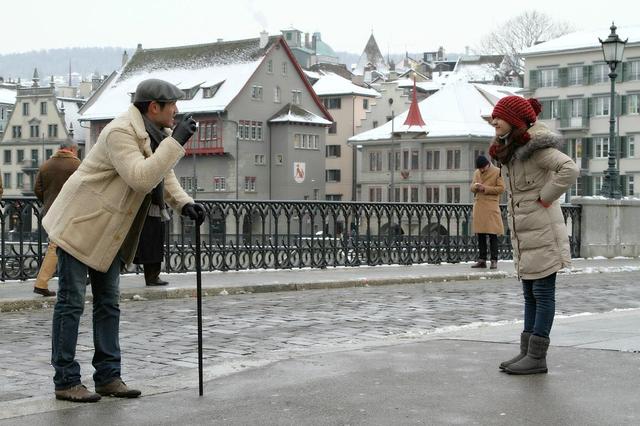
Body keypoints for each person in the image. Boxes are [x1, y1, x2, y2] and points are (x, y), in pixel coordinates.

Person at [42, 78, 206, 402]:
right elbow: (142, 177)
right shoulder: (120, 132)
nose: (177, 111)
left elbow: (164, 176)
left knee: (108, 304)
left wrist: (185, 202)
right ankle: (66, 380)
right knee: (71, 302)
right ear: (153, 107)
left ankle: (108, 377)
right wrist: (178, 143)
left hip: (109, 231)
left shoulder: (158, 134)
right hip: (81, 223)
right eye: (171, 104)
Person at [488, 95, 579, 375]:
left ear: (514, 121)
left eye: (498, 118)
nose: (494, 122)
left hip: (543, 231)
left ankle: (538, 357)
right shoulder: (512, 149)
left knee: (542, 292)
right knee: (529, 293)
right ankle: (527, 352)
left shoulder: (535, 149)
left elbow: (569, 168)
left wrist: (545, 197)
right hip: (527, 233)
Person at [33, 142, 81, 297]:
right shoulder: (76, 165)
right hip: (70, 211)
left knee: (65, 245)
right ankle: (41, 283)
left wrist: (47, 201)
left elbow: (37, 189)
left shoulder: (46, 165)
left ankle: (77, 277)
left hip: (50, 211)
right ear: (72, 150)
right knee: (58, 245)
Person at [470, 155, 505, 270]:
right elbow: (471, 186)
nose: (481, 170)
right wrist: (475, 187)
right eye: (479, 169)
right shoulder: (476, 172)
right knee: (480, 234)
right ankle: (482, 260)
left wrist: (485, 188)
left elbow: (501, 189)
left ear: (487, 164)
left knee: (492, 234)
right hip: (479, 205)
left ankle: (494, 260)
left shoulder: (497, 171)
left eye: (483, 168)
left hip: (491, 206)